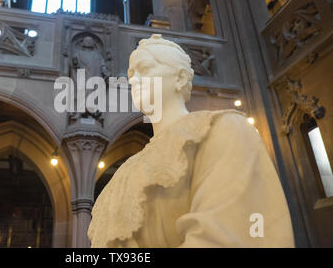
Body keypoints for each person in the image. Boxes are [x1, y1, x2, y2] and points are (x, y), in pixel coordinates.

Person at [88, 34, 295, 248]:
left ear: (179, 78)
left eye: (145, 69)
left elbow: (233, 236)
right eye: (131, 73)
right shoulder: (124, 172)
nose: (133, 79)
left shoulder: (223, 130)